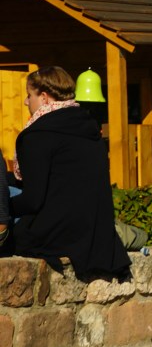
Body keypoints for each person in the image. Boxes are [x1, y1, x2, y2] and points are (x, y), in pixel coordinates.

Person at [5, 66, 130, 281]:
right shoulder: (88, 128)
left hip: (55, 234)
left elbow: (34, 201)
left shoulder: (37, 135)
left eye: (29, 95)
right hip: (94, 234)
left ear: (44, 98)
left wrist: (4, 207)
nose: (26, 102)